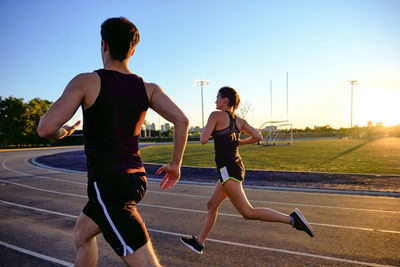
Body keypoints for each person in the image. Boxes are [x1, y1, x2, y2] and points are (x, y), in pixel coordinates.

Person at [37, 17, 189, 267]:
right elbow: (182, 121)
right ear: (133, 49)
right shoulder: (149, 88)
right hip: (136, 180)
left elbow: (45, 129)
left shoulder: (86, 81)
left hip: (108, 185)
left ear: (104, 45)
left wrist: (63, 132)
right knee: (82, 234)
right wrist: (175, 165)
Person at [180, 86, 313, 255]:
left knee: (248, 212)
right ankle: (199, 242)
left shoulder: (215, 116)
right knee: (212, 205)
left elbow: (203, 140)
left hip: (227, 170)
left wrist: (212, 131)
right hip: (234, 167)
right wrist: (237, 142)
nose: (215, 101)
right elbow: (258, 136)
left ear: (225, 100)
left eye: (217, 98)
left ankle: (293, 220)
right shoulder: (239, 121)